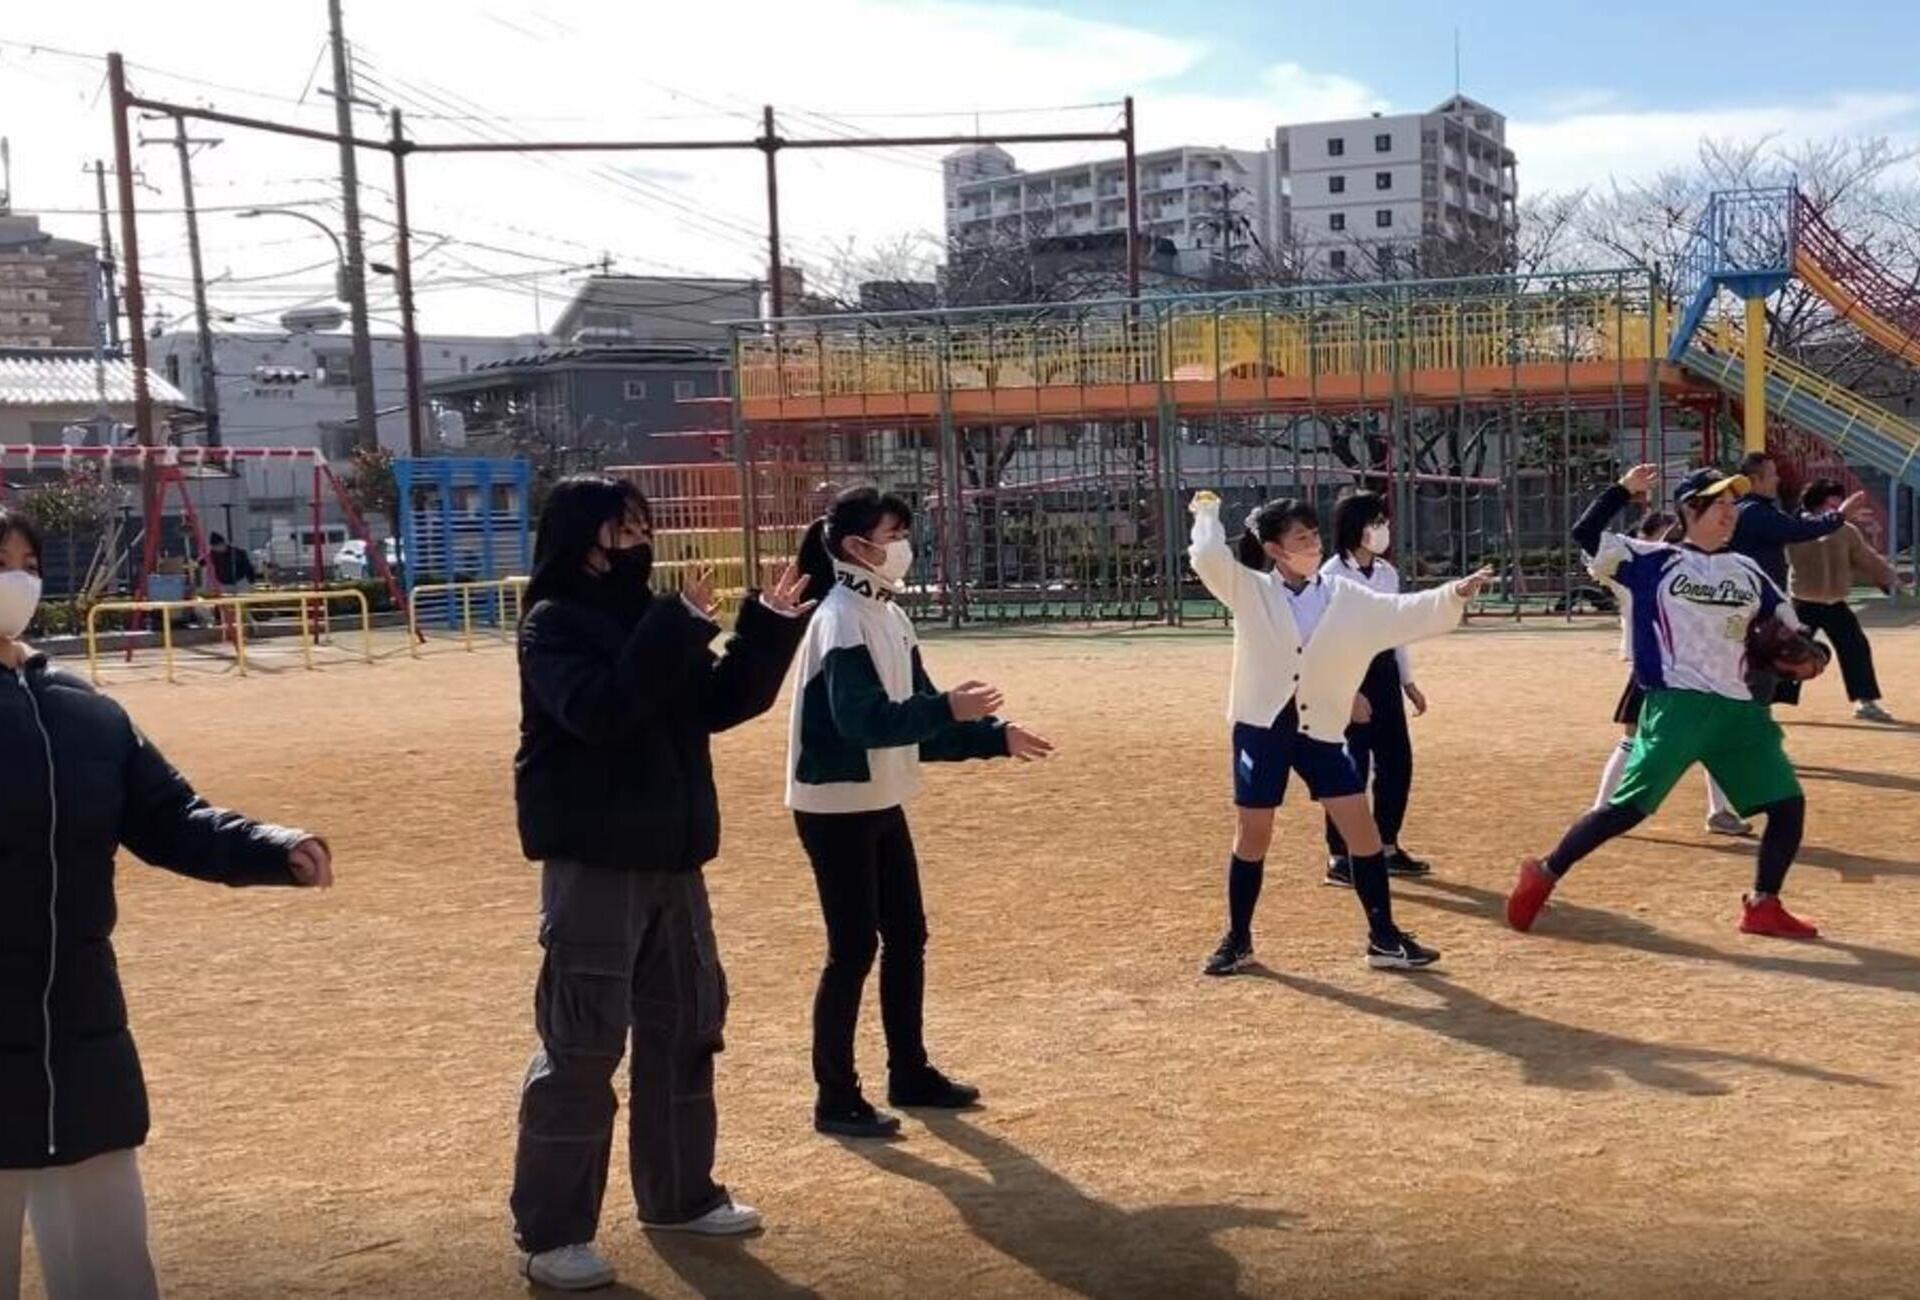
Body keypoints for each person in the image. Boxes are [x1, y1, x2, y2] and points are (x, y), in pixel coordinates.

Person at [0, 506, 334, 1300]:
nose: (15, 579)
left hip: (79, 1034)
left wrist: (269, 847)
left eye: (26, 563)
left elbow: (170, 816)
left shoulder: (85, 713)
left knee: (110, 1268)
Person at [509, 475, 814, 1292]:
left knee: (688, 1027)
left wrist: (766, 628)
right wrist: (675, 626)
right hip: (594, 862)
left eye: (644, 526)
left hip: (675, 860)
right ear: (584, 538)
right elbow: (602, 711)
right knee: (582, 1046)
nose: (641, 540)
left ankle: (679, 1195)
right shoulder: (552, 624)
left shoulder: (651, 617)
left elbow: (716, 703)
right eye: (625, 527)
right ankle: (551, 1233)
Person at [786, 487, 1055, 1140]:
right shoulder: (840, 617)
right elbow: (863, 723)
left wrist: (994, 737)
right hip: (836, 806)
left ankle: (909, 1070)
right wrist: (949, 710)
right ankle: (835, 1096)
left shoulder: (889, 615)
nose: (905, 545)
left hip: (882, 798)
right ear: (857, 547)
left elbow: (922, 726)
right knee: (852, 948)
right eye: (895, 533)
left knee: (907, 935)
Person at [1188, 490, 1492, 976]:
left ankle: (1384, 938)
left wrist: (1453, 593)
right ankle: (1238, 939)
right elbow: (1207, 557)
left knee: (1361, 828)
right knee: (1254, 834)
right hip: (1262, 727)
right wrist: (1206, 512)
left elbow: (1401, 613)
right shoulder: (1252, 590)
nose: (1313, 545)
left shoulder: (1344, 596)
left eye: (1314, 536)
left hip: (1321, 729)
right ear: (1274, 549)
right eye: (1300, 539)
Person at [1509, 466, 1819, 940]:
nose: (1730, 512)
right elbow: (1585, 534)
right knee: (1628, 810)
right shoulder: (1650, 560)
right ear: (1690, 509)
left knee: (1787, 805)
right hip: (1678, 706)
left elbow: (1791, 623)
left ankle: (1763, 905)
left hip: (1738, 709)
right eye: (1719, 503)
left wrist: (1809, 651)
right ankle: (1545, 872)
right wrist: (1621, 491)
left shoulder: (1748, 570)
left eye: (1732, 504)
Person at [1579, 475, 1751, 836]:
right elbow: (1586, 533)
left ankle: (1719, 811)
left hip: (1709, 672)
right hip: (1659, 672)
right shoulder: (1639, 567)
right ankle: (1599, 811)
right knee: (1634, 739)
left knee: (1718, 740)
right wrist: (1622, 489)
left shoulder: (1715, 567)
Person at [1319, 492, 1432, 886]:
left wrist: (1407, 681)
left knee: (1397, 762)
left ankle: (1387, 844)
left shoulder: (1386, 573)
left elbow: (1395, 628)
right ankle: (1339, 854)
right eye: (1375, 521)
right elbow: (1326, 638)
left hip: (1383, 671)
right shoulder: (1331, 574)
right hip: (1347, 674)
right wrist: (1346, 689)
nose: (1383, 529)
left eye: (1384, 521)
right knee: (1349, 766)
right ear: (1354, 526)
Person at [1787, 478, 1900, 722]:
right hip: (1803, 602)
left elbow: (1865, 558)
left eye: (1839, 503)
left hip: (1835, 603)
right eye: (1832, 503)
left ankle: (1866, 701)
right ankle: (1768, 702)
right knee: (1790, 651)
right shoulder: (1797, 527)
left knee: (1855, 647)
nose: (1837, 508)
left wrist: (1889, 576)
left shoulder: (1847, 530)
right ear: (1816, 502)